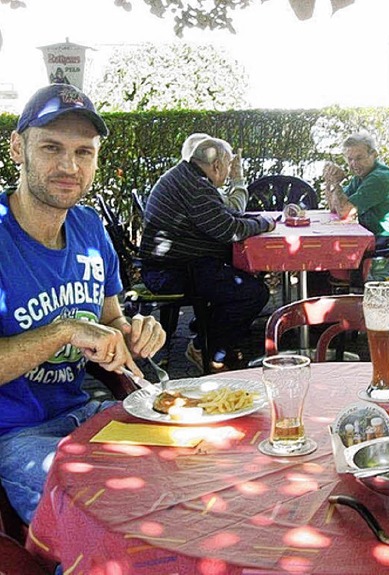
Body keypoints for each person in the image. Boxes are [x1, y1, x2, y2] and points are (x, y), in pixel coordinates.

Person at [0, 83, 166, 524]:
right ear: (18, 148)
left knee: (189, 470)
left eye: (84, 152)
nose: (69, 165)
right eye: (51, 147)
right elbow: (74, 327)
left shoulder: (89, 226)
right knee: (107, 518)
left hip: (87, 415)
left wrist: (133, 331)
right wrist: (64, 330)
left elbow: (110, 317)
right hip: (16, 434)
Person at [139, 133, 276, 373]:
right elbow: (230, 230)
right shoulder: (196, 187)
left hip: (178, 265)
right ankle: (203, 346)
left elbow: (224, 215)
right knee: (253, 293)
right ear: (216, 165)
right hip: (172, 272)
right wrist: (265, 224)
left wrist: (254, 219)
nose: (228, 172)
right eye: (228, 166)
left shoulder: (189, 177)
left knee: (242, 282)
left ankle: (210, 335)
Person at [322, 132, 389, 281]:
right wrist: (329, 181)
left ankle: (333, 296)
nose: (354, 164)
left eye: (359, 158)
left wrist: (336, 183)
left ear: (374, 154)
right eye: (350, 159)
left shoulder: (378, 178)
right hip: (377, 237)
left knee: (324, 257)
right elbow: (334, 207)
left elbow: (345, 213)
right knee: (324, 253)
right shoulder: (362, 175)